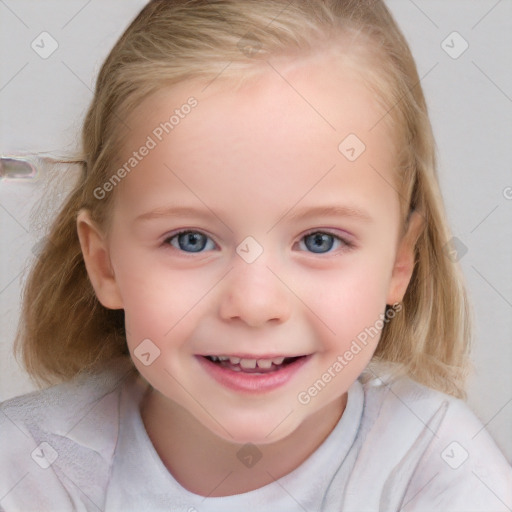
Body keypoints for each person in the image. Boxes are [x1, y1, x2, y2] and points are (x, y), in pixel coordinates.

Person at [1, 0, 511, 510]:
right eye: (191, 240)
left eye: (320, 241)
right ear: (105, 263)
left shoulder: (435, 468)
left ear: (401, 263)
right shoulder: (31, 466)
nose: (254, 303)